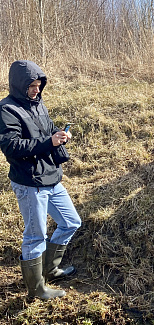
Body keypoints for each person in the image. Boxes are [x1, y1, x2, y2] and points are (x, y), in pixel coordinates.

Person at [0, 60, 81, 300]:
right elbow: (11, 146)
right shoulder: (7, 109)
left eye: (39, 85)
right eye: (32, 86)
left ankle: (50, 269)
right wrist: (49, 142)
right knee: (35, 235)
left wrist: (60, 135)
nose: (37, 90)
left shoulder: (37, 103)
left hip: (51, 177)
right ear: (19, 85)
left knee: (71, 222)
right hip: (29, 183)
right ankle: (37, 289)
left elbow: (47, 128)